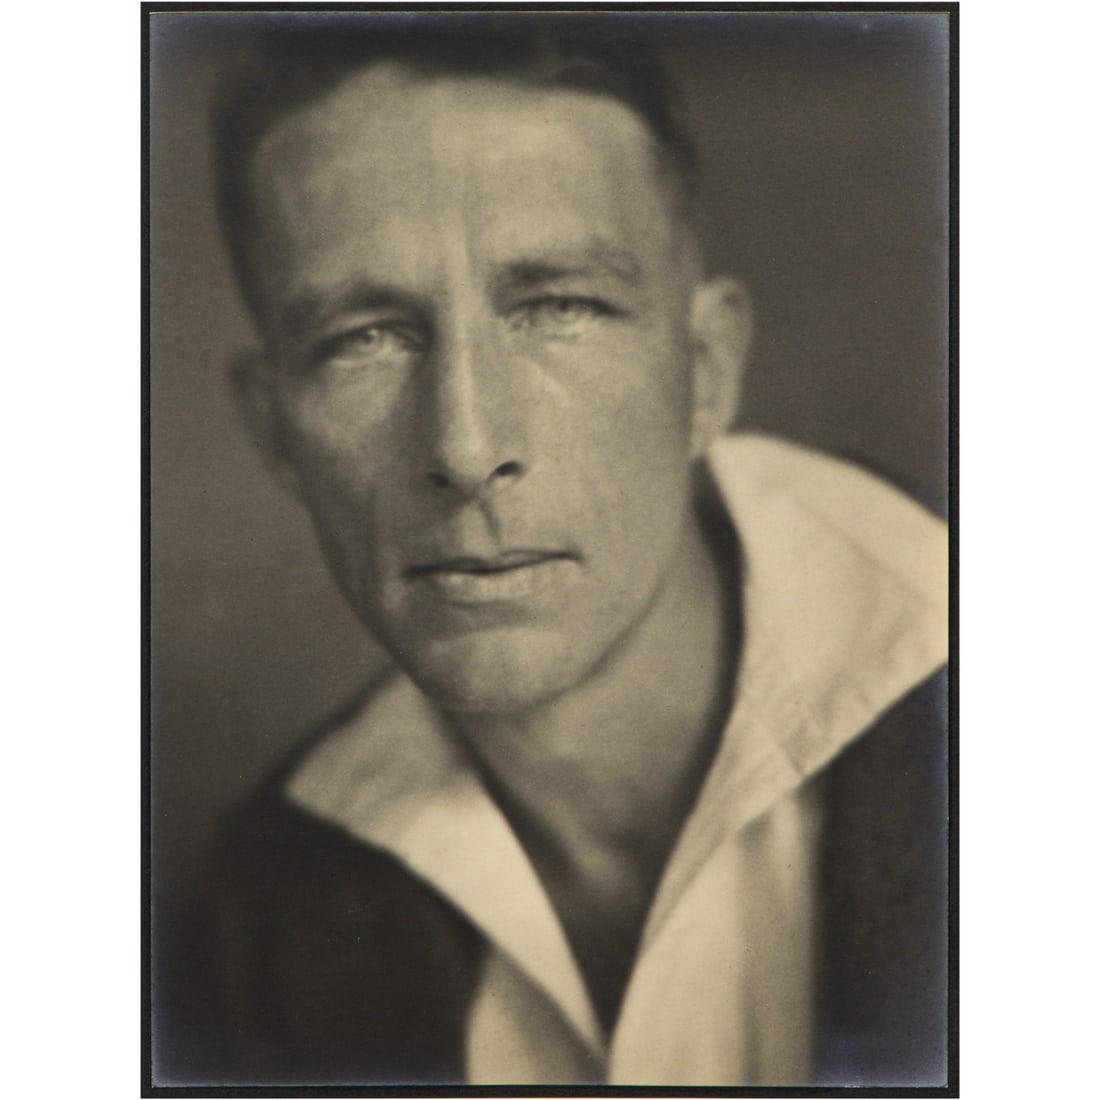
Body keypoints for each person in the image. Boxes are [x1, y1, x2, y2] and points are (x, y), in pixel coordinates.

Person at [164, 18, 949, 1088]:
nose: (464, 448)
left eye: (558, 306)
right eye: (363, 337)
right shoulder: (245, 927)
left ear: (706, 371)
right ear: (272, 432)